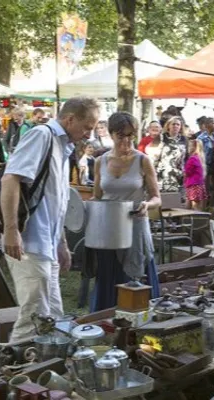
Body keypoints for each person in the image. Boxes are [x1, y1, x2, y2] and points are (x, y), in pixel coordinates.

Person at [1, 97, 99, 342]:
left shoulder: (62, 145)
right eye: (87, 127)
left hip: (47, 242)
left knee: (52, 316)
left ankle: (44, 368)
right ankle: (18, 372)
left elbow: (56, 202)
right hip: (30, 241)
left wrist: (62, 243)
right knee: (33, 317)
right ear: (69, 119)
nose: (89, 134)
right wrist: (11, 230)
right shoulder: (42, 136)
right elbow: (10, 179)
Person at [90, 111, 161, 311]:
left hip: (135, 228)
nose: (126, 140)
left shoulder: (143, 160)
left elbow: (156, 198)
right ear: (111, 135)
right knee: (109, 279)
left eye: (131, 135)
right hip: (108, 230)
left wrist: (147, 205)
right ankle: (106, 321)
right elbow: (97, 197)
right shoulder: (100, 162)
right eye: (121, 135)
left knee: (135, 279)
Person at [156, 116, 187, 192]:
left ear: (180, 127)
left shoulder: (184, 139)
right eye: (173, 124)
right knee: (164, 196)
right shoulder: (161, 137)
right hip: (164, 172)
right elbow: (155, 154)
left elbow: (187, 156)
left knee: (177, 198)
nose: (175, 126)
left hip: (179, 172)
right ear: (168, 126)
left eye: (178, 124)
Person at [198, 117, 214, 205]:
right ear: (208, 125)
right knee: (205, 189)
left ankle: (211, 206)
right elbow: (199, 152)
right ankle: (204, 208)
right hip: (206, 165)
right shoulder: (201, 138)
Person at [184, 136, 207, 210]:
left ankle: (193, 219)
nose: (188, 148)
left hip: (193, 185)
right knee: (193, 204)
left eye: (189, 146)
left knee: (194, 205)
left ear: (193, 147)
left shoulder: (192, 159)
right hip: (199, 184)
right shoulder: (200, 158)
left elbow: (188, 172)